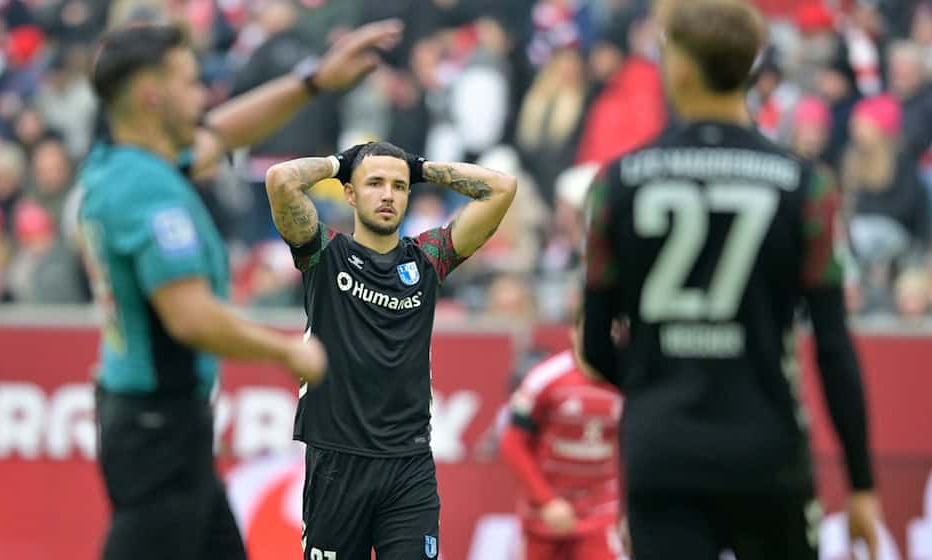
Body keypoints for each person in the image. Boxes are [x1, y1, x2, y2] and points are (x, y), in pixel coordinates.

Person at [78, 19, 402, 560]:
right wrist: (286, 351)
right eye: (189, 82)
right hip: (158, 429)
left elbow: (222, 133)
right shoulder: (146, 190)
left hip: (158, 424)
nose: (202, 95)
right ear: (150, 95)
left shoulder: (122, 164)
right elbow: (190, 317)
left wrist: (315, 81)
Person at [580, 1, 881, 559]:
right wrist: (862, 483)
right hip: (765, 449)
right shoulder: (805, 185)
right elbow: (834, 346)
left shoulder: (615, 184)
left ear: (681, 68)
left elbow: (594, 345)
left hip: (662, 454)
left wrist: (653, 384)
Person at [264, 141, 517, 559]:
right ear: (350, 193)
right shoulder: (325, 254)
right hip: (337, 462)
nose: (388, 194)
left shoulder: (426, 259)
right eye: (375, 183)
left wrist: (420, 168)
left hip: (408, 464)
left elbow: (502, 188)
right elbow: (280, 180)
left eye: (399, 186)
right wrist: (339, 163)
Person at [500, 324, 624, 560]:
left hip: (600, 513)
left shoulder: (627, 380)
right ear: (574, 333)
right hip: (545, 515)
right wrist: (546, 501)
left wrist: (626, 511)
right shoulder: (544, 378)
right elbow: (512, 443)